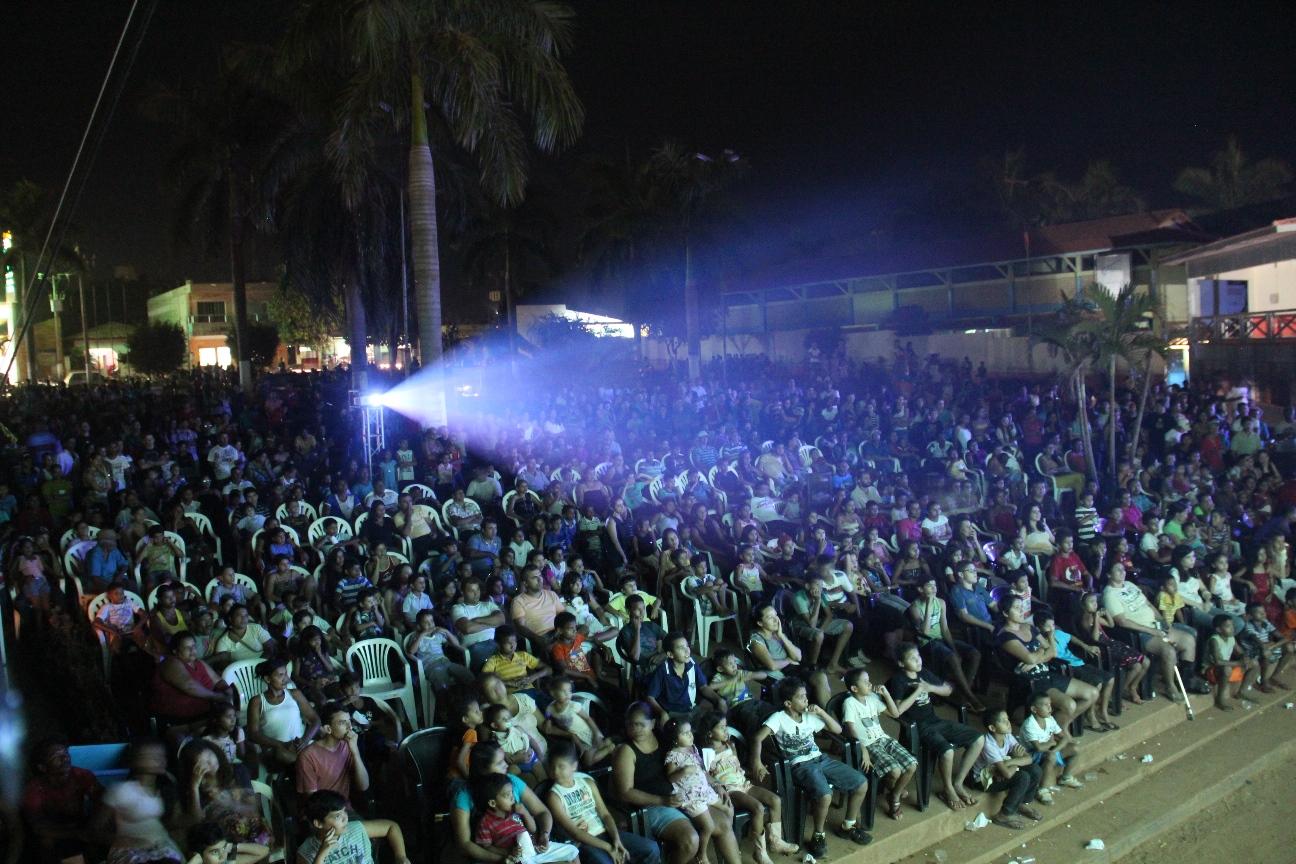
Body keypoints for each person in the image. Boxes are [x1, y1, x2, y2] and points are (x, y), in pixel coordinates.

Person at [749, 679, 872, 856]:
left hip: (821, 760)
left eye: (806, 696)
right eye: (801, 697)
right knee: (825, 795)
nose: (806, 700)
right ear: (788, 703)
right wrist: (757, 762)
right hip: (800, 765)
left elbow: (837, 730)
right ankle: (818, 835)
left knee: (861, 783)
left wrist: (821, 712)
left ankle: (848, 825)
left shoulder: (809, 716)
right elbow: (757, 738)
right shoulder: (779, 718)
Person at [886, 642, 984, 812]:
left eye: (918, 656)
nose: (918, 660)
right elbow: (898, 710)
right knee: (947, 751)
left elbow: (948, 690)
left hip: (934, 721)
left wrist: (929, 687)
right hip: (918, 727)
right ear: (901, 663)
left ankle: (958, 783)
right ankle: (948, 789)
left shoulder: (923, 673)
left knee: (978, 739)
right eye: (912, 658)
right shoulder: (898, 680)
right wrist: (918, 691)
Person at [697, 712, 798, 863]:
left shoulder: (730, 745)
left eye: (726, 726)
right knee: (758, 808)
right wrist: (717, 787)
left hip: (744, 784)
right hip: (730, 790)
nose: (726, 730)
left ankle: (775, 841)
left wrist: (752, 772)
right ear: (710, 733)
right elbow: (705, 777)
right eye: (721, 728)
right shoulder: (706, 753)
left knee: (775, 800)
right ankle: (760, 852)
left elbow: (736, 767)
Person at [611, 703, 702, 864]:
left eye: (641, 724)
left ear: (653, 723)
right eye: (631, 724)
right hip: (651, 805)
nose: (635, 729)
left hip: (681, 794)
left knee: (720, 822)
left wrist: (714, 784)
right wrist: (662, 800)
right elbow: (625, 792)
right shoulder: (626, 751)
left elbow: (689, 759)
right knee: (690, 841)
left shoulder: (663, 738)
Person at [1102, 562, 1206, 700]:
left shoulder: (1130, 585)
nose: (1123, 572)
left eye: (1123, 569)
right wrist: (1151, 631)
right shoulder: (1109, 595)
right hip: (1140, 633)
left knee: (1188, 640)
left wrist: (1162, 621)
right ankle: (1170, 687)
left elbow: (1149, 604)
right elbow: (1122, 622)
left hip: (1155, 625)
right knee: (1168, 651)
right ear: (1109, 574)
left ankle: (1185, 680)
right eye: (1118, 570)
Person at [545, 742, 662, 864]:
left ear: (574, 766)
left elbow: (605, 814)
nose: (555, 771)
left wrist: (616, 839)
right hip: (585, 842)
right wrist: (609, 848)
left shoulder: (587, 783)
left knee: (651, 848)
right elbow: (575, 832)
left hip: (606, 833)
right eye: (552, 767)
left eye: (561, 767)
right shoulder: (554, 796)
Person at [452, 743, 564, 864]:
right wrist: (503, 859)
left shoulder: (511, 782)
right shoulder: (464, 796)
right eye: (500, 763)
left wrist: (545, 834)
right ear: (483, 770)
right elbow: (464, 844)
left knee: (572, 856)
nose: (506, 765)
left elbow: (542, 812)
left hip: (526, 847)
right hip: (493, 855)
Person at [996, 597, 1097, 729]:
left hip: (1046, 674)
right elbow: (1032, 657)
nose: (1021, 611)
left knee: (1092, 693)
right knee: (1070, 705)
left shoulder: (1029, 627)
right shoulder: (1005, 636)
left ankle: (1056, 728)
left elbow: (1052, 651)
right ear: (1005, 613)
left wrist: (1036, 658)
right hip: (1030, 681)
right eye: (1016, 608)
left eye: (1022, 607)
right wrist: (1041, 650)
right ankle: (1056, 731)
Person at [840, 668, 918, 821]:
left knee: (912, 765)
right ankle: (894, 793)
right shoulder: (849, 703)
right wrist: (863, 750)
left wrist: (886, 694)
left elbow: (895, 714)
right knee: (895, 771)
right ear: (854, 688)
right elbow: (850, 730)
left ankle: (894, 794)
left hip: (884, 740)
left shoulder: (873, 698)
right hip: (869, 745)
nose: (870, 684)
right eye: (865, 682)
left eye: (869, 680)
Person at [660, 718, 739, 864]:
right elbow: (670, 778)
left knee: (728, 808)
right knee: (708, 826)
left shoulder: (693, 748)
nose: (690, 735)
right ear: (675, 740)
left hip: (704, 790)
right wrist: (684, 771)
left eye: (690, 731)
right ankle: (702, 854)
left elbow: (702, 771)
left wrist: (717, 784)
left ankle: (725, 839)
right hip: (691, 795)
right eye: (685, 733)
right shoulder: (673, 755)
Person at [22, 738, 104, 864]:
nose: (65, 759)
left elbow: (103, 802)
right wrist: (76, 834)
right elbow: (38, 827)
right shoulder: (34, 789)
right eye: (56, 756)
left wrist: (93, 826)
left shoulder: (81, 775)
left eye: (66, 753)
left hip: (80, 823)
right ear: (42, 767)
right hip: (53, 830)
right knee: (46, 842)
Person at [907, 576, 984, 711]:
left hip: (941, 639)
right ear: (920, 589)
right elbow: (925, 631)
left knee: (974, 654)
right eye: (929, 585)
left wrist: (953, 647)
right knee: (952, 657)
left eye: (935, 585)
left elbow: (945, 629)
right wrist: (929, 604)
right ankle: (969, 696)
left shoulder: (941, 602)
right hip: (927, 642)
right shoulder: (915, 607)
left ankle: (962, 694)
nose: (934, 588)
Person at [176, 740, 271, 848]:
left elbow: (253, 809)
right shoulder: (196, 790)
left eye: (210, 755)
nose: (211, 762)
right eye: (204, 761)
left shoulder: (237, 771)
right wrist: (194, 787)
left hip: (251, 832)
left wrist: (228, 803)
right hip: (221, 843)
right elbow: (197, 824)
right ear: (194, 769)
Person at [101, 739, 182, 864]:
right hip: (129, 851)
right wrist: (128, 841)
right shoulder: (121, 790)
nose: (159, 760)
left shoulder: (166, 787)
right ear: (136, 760)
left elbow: (176, 821)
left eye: (161, 756)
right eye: (152, 756)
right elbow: (95, 830)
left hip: (161, 847)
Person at [1036, 609, 1118, 731]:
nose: (1051, 629)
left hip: (1078, 662)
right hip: (1067, 667)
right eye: (1047, 627)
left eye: (1052, 625)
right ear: (1039, 628)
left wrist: (1086, 646)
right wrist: (1050, 638)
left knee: (1110, 678)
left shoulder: (1058, 633)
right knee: (1098, 683)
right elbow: (1051, 655)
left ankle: (1103, 712)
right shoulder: (1041, 641)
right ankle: (1091, 716)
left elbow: (1071, 637)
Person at [471, 773, 578, 864]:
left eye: (512, 792)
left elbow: (533, 829)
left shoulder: (516, 810)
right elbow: (487, 847)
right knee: (522, 847)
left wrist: (525, 812)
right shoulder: (485, 823)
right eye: (507, 795)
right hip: (518, 856)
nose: (512, 797)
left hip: (535, 848)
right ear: (493, 803)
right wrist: (508, 852)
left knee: (572, 851)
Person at [972, 709, 1044, 830]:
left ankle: (1021, 803)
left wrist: (1011, 761)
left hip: (1000, 771)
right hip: (984, 780)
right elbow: (1007, 774)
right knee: (1022, 777)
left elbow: (1029, 758)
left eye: (1008, 719)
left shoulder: (1007, 736)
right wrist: (1015, 759)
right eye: (1003, 721)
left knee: (1035, 770)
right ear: (992, 728)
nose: (1008, 723)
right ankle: (1004, 815)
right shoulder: (988, 744)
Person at [297, 790, 410, 864]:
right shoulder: (305, 852)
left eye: (344, 811)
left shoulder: (356, 828)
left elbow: (391, 826)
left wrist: (400, 856)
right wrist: (321, 854)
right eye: (337, 816)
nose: (345, 818)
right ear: (318, 823)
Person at [247, 658, 321, 770]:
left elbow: (315, 720)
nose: (286, 678)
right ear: (268, 679)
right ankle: (306, 767)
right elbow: (253, 734)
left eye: (286, 674)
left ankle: (305, 767)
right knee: (283, 755)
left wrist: (304, 741)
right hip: (278, 750)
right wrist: (280, 744)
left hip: (300, 745)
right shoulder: (257, 702)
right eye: (280, 675)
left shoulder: (295, 694)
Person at [296, 703, 371, 808]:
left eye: (349, 721)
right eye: (342, 723)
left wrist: (355, 752)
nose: (349, 727)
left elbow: (364, 786)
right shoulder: (308, 756)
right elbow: (313, 801)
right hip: (323, 812)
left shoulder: (348, 745)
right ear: (328, 729)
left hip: (344, 808)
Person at [644, 633, 722, 722]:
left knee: (713, 722)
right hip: (673, 713)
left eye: (687, 646)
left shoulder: (691, 663)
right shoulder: (662, 671)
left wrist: (719, 699)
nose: (687, 651)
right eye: (681, 648)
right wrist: (663, 713)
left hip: (692, 709)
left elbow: (703, 686)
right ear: (670, 654)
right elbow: (650, 697)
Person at [542, 676, 615, 767]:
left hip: (588, 733)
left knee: (589, 760)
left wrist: (596, 733)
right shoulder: (550, 709)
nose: (567, 694)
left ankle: (609, 747)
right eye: (563, 691)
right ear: (553, 693)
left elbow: (588, 718)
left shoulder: (573, 706)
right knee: (585, 759)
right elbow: (548, 728)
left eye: (569, 691)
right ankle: (606, 744)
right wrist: (548, 721)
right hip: (577, 738)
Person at [405, 609, 474, 692]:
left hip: (445, 662)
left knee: (466, 674)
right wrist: (422, 635)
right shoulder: (416, 637)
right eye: (426, 622)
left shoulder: (438, 635)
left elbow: (456, 643)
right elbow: (411, 651)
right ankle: (447, 697)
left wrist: (446, 631)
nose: (430, 624)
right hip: (430, 666)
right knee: (442, 681)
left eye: (431, 621)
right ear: (419, 626)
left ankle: (471, 695)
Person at [1206, 614, 1260, 710]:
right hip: (1213, 670)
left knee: (1254, 663)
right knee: (1226, 669)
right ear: (1219, 630)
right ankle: (1220, 699)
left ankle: (1242, 691)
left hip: (1227, 666)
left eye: (1232, 625)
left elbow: (1240, 651)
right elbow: (1217, 662)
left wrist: (1245, 658)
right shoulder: (1214, 640)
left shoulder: (1231, 638)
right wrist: (1238, 663)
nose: (1232, 628)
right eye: (1228, 626)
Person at [482, 626, 552, 693]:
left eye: (515, 642)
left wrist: (532, 677)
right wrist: (508, 683)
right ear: (498, 644)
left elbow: (549, 669)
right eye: (508, 643)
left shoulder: (523, 655)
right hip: (512, 694)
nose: (513, 646)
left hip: (530, 691)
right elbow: (484, 680)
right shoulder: (493, 661)